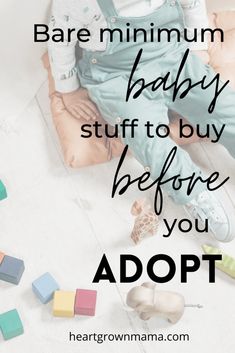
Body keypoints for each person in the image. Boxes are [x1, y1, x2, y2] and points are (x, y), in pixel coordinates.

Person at [48, 0, 235, 242]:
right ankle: (192, 191)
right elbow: (60, 38)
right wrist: (69, 89)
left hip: (171, 54)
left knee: (221, 103)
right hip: (116, 75)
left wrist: (197, 45)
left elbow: (192, 3)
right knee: (147, 138)